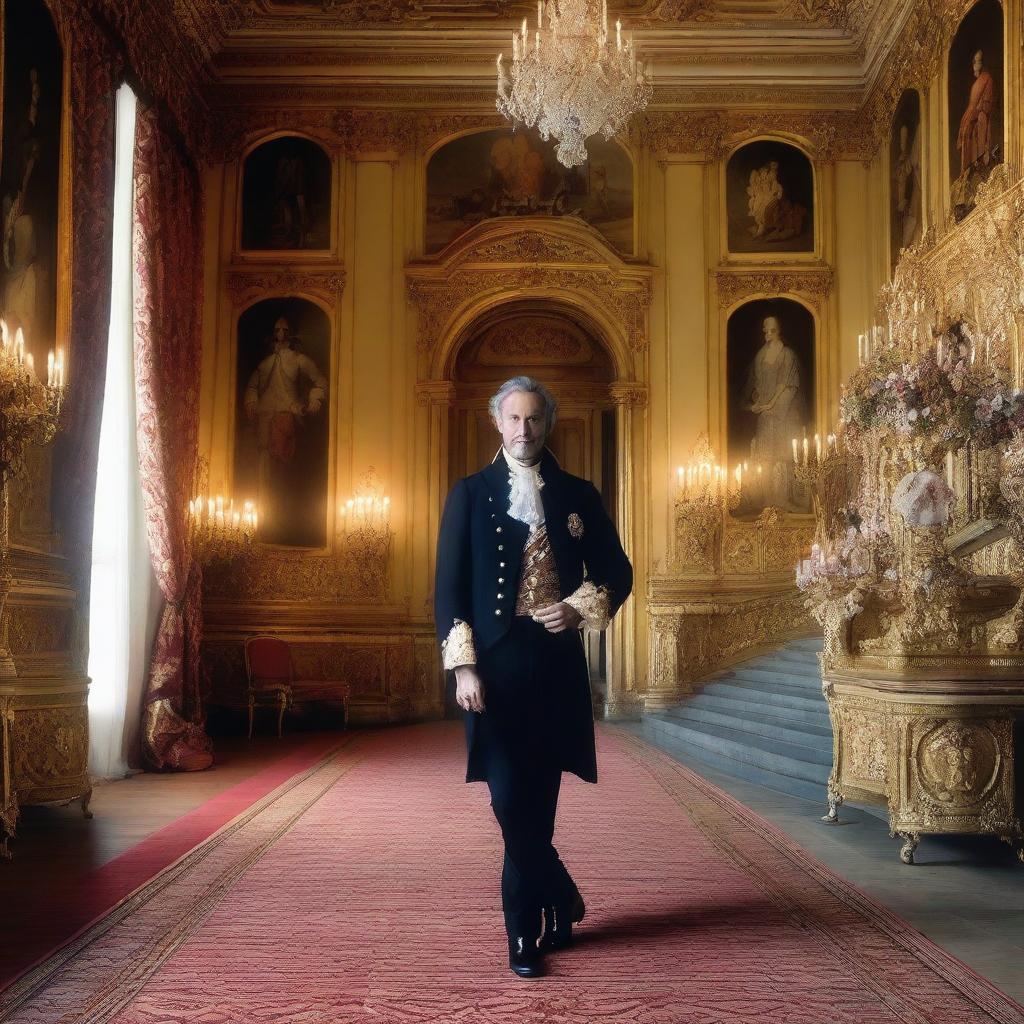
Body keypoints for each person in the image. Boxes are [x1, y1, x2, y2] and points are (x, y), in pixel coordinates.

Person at [434, 376, 632, 979]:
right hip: (492, 672)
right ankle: (554, 895)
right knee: (507, 797)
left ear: (549, 424)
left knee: (538, 801)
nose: (524, 431)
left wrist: (579, 606)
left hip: (554, 666)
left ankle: (532, 930)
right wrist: (463, 666)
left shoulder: (578, 494)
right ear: (498, 423)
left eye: (535, 420)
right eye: (514, 420)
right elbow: (448, 590)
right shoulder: (470, 494)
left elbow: (618, 573)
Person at [244, 316, 327, 542]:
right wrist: (251, 400)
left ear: (290, 334)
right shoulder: (265, 364)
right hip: (265, 419)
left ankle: (287, 522)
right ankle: (265, 526)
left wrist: (315, 400)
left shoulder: (299, 360)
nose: (280, 333)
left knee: (287, 475)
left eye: (284, 329)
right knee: (264, 476)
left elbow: (320, 381)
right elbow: (252, 386)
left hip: (288, 419)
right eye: (277, 329)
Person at [741, 315, 806, 512]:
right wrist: (757, 403)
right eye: (765, 330)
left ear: (780, 331)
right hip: (765, 414)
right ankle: (766, 500)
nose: (768, 334)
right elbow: (755, 386)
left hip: (783, 413)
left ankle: (782, 499)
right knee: (765, 457)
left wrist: (772, 406)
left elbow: (789, 386)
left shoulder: (788, 354)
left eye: (773, 330)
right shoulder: (760, 356)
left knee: (782, 457)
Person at [957, 49, 995, 176]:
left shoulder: (987, 78)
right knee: (967, 129)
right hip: (973, 116)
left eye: (978, 61)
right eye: (974, 62)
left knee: (978, 123)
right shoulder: (975, 85)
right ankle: (969, 171)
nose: (975, 64)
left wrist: (976, 112)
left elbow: (986, 104)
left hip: (981, 117)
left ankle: (979, 166)